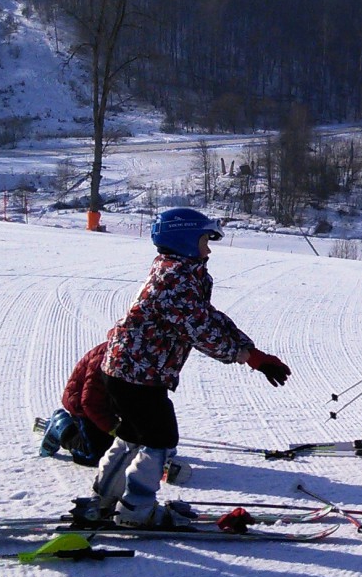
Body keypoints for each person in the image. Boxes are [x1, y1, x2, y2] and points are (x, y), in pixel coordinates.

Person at [88, 208, 291, 527]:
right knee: (160, 437)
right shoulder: (177, 279)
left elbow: (208, 317)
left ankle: (105, 496)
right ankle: (137, 508)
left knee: (133, 433)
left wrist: (252, 352)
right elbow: (199, 330)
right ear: (184, 240)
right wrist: (247, 357)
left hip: (125, 371)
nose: (208, 249)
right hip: (140, 375)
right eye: (203, 240)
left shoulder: (177, 271)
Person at [40, 341, 119, 467]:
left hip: (114, 404)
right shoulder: (107, 358)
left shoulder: (151, 354)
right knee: (95, 455)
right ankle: (61, 425)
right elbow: (90, 401)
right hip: (84, 405)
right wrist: (112, 427)